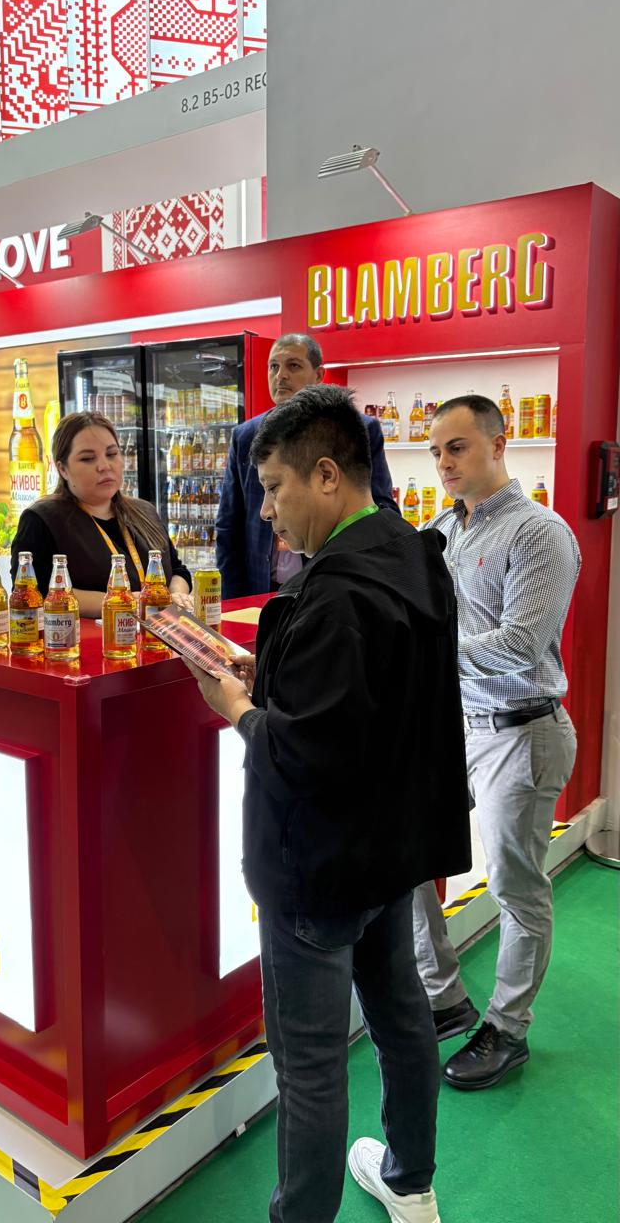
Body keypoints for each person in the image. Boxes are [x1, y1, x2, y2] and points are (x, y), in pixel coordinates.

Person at [184, 385, 470, 1223]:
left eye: (275, 488)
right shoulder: (412, 552)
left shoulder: (339, 593)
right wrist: (271, 673)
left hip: (319, 865)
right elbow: (369, 704)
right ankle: (411, 1180)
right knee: (400, 1016)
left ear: (327, 475)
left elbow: (302, 752)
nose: (266, 511)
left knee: (309, 1065)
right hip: (391, 848)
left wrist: (236, 706)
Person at [413, 394, 580, 1091]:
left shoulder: (540, 532)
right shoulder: (437, 531)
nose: (444, 463)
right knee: (410, 856)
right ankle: (442, 996)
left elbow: (520, 645)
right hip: (455, 726)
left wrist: (424, 654)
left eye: (457, 447)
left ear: (498, 443)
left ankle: (507, 1029)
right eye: (436, 452)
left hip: (523, 730)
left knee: (515, 886)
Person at [215, 333, 398, 598]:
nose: (281, 376)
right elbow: (229, 525)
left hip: (331, 583)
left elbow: (379, 508)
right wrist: (233, 600)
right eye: (274, 367)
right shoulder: (245, 436)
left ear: (319, 374)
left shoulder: (356, 429)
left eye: (293, 366)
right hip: (261, 587)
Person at [10, 410, 192, 614]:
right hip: (84, 633)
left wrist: (177, 595)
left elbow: (178, 570)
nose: (104, 466)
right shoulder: (42, 520)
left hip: (159, 629)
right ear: (62, 469)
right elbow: (35, 592)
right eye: (88, 458)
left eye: (112, 454)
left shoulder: (145, 511)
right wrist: (122, 602)